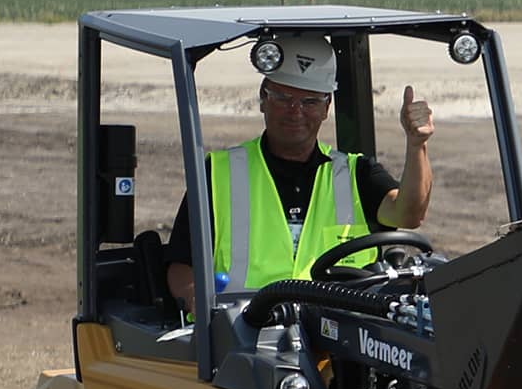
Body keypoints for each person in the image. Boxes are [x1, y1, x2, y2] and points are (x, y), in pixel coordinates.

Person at [163, 35, 435, 309]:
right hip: (244, 333)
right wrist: (199, 303)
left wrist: (417, 145)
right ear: (263, 98)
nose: (295, 112)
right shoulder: (218, 173)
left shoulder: (356, 173)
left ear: (326, 107)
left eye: (309, 101)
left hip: (342, 333)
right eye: (282, 98)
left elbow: (409, 214)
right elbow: (182, 267)